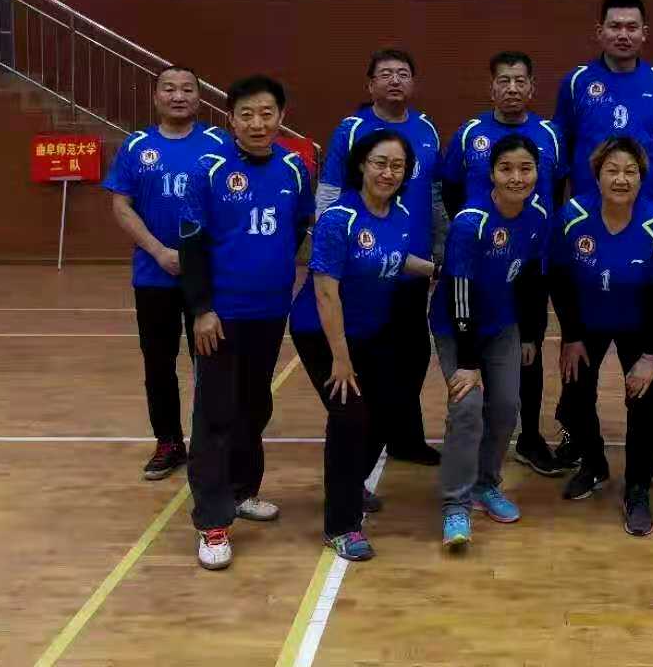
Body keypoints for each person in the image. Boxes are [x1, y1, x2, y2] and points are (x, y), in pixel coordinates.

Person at [177, 75, 313, 572]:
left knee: (255, 405)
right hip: (220, 316)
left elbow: (297, 228)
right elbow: (191, 245)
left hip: (270, 311)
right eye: (247, 114)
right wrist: (201, 309)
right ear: (230, 119)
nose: (258, 123)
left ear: (281, 117)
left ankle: (241, 490)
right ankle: (213, 522)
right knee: (215, 414)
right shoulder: (208, 170)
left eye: (267, 113)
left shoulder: (295, 169)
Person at [553, 0, 653, 469]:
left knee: (646, 344)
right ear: (600, 32)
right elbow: (563, 145)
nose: (623, 34)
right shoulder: (576, 82)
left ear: (644, 33)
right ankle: (575, 430)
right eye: (615, 26)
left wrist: (638, 190)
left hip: (639, 223)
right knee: (578, 347)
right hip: (589, 226)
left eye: (632, 26)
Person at [292, 131, 438, 562]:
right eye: (380, 163)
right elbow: (325, 293)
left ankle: (350, 483)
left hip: (369, 331)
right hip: (322, 333)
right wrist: (341, 359)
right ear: (361, 165)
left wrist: (436, 270)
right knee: (350, 417)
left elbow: (393, 259)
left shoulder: (400, 214)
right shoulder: (338, 219)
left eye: (397, 165)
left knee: (388, 412)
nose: (388, 173)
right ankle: (340, 525)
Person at [441, 51, 568, 477]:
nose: (512, 88)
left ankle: (528, 438)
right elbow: (451, 190)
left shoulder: (550, 134)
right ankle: (477, 439)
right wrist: (475, 237)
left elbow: (556, 190)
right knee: (476, 343)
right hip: (480, 262)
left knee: (528, 349)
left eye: (520, 81)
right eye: (504, 81)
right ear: (491, 87)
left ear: (532, 87)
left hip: (530, 259)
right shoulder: (469, 133)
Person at [317, 49, 445, 467]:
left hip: (410, 265)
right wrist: (329, 248)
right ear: (370, 84)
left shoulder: (426, 128)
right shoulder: (352, 129)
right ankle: (361, 446)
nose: (394, 80)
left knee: (413, 358)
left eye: (403, 73)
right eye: (385, 74)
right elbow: (329, 191)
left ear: (414, 83)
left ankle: (405, 438)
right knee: (374, 363)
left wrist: (438, 250)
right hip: (364, 270)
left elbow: (434, 195)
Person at [102, 65, 229, 481]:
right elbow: (121, 206)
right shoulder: (137, 146)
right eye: (169, 89)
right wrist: (159, 251)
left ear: (199, 97)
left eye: (187, 89)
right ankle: (169, 442)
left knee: (209, 364)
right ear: (156, 96)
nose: (178, 96)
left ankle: (211, 444)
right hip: (153, 275)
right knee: (158, 364)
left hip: (207, 278)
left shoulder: (219, 143)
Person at [552, 137, 653, 538]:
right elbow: (560, 279)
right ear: (597, 176)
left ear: (642, 178)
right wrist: (571, 336)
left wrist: (651, 355)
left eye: (630, 172)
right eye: (612, 170)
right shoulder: (573, 215)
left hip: (638, 324)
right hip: (587, 323)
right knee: (575, 397)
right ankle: (594, 465)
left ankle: (638, 487)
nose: (621, 179)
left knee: (644, 401)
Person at [431, 135, 551, 547]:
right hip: (456, 326)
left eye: (525, 169)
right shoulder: (471, 222)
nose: (517, 177)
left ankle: (485, 484)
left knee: (504, 407)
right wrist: (468, 362)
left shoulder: (537, 215)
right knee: (467, 407)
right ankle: (455, 504)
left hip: (502, 325)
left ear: (537, 173)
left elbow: (532, 277)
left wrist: (530, 333)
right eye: (506, 169)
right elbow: (459, 292)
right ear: (492, 174)